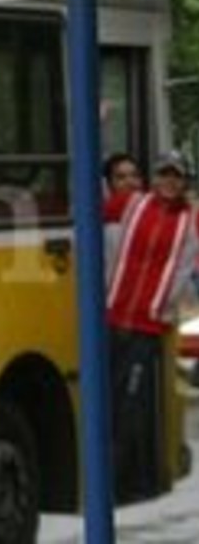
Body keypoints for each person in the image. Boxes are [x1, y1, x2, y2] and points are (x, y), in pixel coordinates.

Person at [103, 150, 199, 502]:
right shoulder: (133, 205)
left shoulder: (191, 221)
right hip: (112, 317)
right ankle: (113, 482)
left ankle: (126, 485)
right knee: (110, 401)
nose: (169, 181)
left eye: (176, 176)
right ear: (154, 178)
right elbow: (89, 204)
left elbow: (190, 268)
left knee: (132, 405)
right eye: (163, 174)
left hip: (147, 326)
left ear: (185, 180)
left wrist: (172, 303)